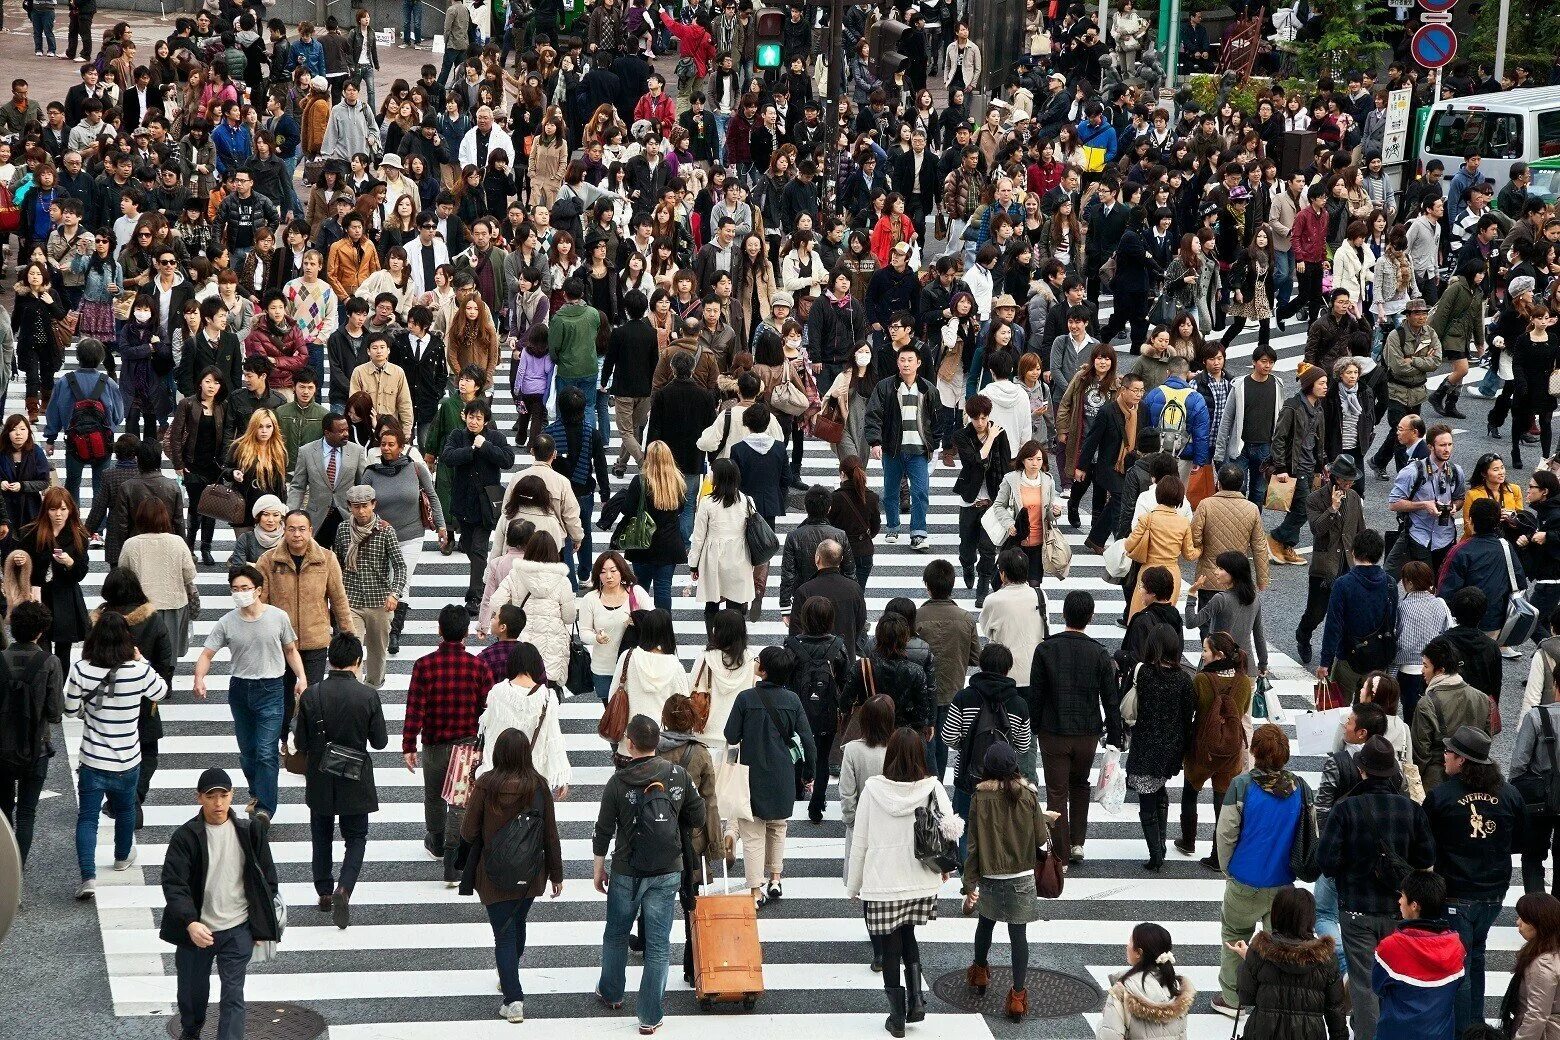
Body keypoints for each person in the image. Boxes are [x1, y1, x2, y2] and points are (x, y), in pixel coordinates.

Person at [593, 713, 707, 1036]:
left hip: (627, 871)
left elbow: (603, 830)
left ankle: (612, 992)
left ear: (629, 743)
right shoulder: (678, 776)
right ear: (656, 743)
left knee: (616, 932)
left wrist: (599, 866)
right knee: (658, 944)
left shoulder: (618, 782)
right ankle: (649, 1015)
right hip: (668, 869)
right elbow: (697, 816)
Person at [1316, 735, 1436, 1040]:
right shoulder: (1411, 810)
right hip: (1400, 907)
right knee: (1398, 978)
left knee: (1364, 983)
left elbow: (1327, 862)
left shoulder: (1345, 810)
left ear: (1362, 771)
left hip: (1356, 907)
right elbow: (1426, 858)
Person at [845, 726, 961, 1038]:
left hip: (882, 881)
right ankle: (917, 1000)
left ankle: (896, 1016)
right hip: (919, 879)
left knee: (890, 944)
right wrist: (945, 868)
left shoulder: (872, 789)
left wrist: (854, 884)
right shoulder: (932, 787)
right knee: (908, 934)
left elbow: (861, 840)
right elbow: (950, 830)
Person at [160, 768, 281, 1040]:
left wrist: (259, 926)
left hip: (237, 929)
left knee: (233, 998)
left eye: (224, 796)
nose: (218, 803)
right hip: (197, 932)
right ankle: (191, 1031)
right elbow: (174, 883)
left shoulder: (250, 832)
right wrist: (190, 922)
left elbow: (267, 880)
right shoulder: (185, 837)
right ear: (199, 798)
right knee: (192, 994)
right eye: (211, 797)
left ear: (232, 796)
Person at [459, 725, 565, 1025]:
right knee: (517, 923)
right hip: (530, 873)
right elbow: (550, 835)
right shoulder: (539, 786)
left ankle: (513, 998)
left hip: (493, 873)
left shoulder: (486, 785)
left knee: (503, 934)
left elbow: (468, 831)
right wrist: (556, 874)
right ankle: (510, 974)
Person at [1425, 724, 1525, 1034]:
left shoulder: (1441, 797)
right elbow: (1521, 842)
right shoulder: (1508, 795)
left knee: (1461, 965)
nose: (1445, 756)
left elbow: (1425, 845)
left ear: (1463, 760)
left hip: (1456, 892)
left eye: (1450, 752)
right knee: (1477, 956)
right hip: (1493, 893)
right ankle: (1477, 1023)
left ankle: (1464, 1030)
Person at [65, 609, 168, 899]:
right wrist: (142, 660)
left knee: (87, 818)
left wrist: (89, 710)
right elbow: (161, 691)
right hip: (127, 758)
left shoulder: (82, 669)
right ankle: (122, 857)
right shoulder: (138, 670)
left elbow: (70, 709)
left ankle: (88, 876)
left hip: (93, 758)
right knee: (125, 809)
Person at [193, 564, 309, 821]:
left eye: (245, 588)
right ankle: (257, 791)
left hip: (272, 689)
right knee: (247, 752)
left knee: (266, 751)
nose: (240, 593)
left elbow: (290, 650)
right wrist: (199, 677)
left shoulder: (278, 617)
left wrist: (301, 678)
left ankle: (265, 808)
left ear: (258, 590)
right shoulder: (227, 622)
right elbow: (207, 653)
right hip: (240, 690)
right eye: (235, 589)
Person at [1210, 724, 1310, 1015]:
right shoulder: (1300, 787)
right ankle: (1277, 997)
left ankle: (1232, 998)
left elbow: (1226, 833)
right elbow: (1309, 831)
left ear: (1254, 751)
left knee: (1235, 933)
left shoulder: (1241, 785)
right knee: (1280, 943)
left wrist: (1229, 869)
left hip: (1245, 878)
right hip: (1283, 882)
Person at [292, 630, 387, 930]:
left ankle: (323, 891)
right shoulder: (368, 695)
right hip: (354, 776)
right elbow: (380, 741)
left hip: (320, 775)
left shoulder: (312, 695)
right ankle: (344, 888)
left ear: (330, 660)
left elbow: (301, 742)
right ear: (358, 661)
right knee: (356, 837)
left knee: (320, 835)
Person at [1031, 589, 1122, 863]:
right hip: (1087, 732)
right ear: (1091, 618)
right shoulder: (1099, 653)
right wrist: (1114, 733)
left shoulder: (1046, 649)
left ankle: (1059, 852)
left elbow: (1036, 694)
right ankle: (1077, 843)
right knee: (1080, 785)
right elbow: (1110, 699)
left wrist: (1034, 725)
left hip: (1053, 731)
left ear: (1063, 614)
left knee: (1056, 791)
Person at [960, 740, 1049, 1022]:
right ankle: (1018, 997)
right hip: (1021, 875)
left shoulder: (979, 798)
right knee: (1018, 935)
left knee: (985, 924)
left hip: (990, 874)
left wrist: (969, 883)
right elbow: (1040, 839)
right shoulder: (1028, 795)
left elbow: (973, 845)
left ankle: (980, 972)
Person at [404, 603, 493, 879]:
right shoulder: (479, 667)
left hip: (433, 743)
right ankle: (454, 857)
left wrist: (409, 745)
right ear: (466, 632)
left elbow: (415, 708)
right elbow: (486, 707)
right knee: (459, 800)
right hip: (466, 743)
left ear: (439, 630)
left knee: (433, 794)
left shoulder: (424, 665)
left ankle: (436, 839)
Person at [724, 645, 816, 906]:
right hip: (783, 774)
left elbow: (731, 736)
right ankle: (776, 878)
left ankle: (755, 891)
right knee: (778, 826)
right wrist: (808, 773)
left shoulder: (745, 698)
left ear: (762, 670)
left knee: (752, 833)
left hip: (751, 776)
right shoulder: (793, 701)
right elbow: (808, 741)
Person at [362, 420, 445, 654]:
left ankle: (394, 631)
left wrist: (441, 526)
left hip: (411, 534)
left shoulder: (416, 469)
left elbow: (432, 496)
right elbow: (362, 504)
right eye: (383, 444)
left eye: (391, 444)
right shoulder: (370, 473)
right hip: (379, 536)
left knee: (401, 581)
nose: (386, 448)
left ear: (401, 446)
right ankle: (384, 625)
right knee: (384, 581)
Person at [1228, 886, 1348, 1040]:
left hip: (1263, 1032)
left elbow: (1246, 997)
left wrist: (1247, 962)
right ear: (1310, 917)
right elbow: (1335, 1009)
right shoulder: (1326, 958)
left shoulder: (1259, 952)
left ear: (1276, 914)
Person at [0, 602, 64, 866]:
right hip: (36, 746)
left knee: (4, 813)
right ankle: (17, 874)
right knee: (27, 812)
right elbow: (55, 713)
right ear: (41, 631)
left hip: (1, 747)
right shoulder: (49, 662)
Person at [441, 398, 516, 613]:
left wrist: (485, 447)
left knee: (478, 548)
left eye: (479, 418)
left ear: (486, 420)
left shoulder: (495, 437)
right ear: (465, 416)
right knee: (467, 544)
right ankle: (480, 581)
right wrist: (470, 451)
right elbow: (447, 457)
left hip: (486, 504)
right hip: (463, 502)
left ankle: (475, 595)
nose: (474, 421)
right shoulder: (457, 435)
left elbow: (507, 460)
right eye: (471, 417)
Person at [1373, 870, 1466, 1040]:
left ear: (1414, 905)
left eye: (1402, 896)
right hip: (1440, 1034)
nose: (1399, 901)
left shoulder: (1390, 947)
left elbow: (1377, 987)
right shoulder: (1457, 947)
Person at [331, 485, 407, 689]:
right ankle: (353, 690)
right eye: (356, 507)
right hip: (350, 600)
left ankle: (373, 688)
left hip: (380, 601)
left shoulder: (385, 530)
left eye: (365, 506)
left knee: (378, 651)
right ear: (349, 507)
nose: (361, 511)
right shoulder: (342, 530)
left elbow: (399, 565)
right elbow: (337, 562)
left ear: (374, 505)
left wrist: (395, 593)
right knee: (351, 649)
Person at [864, 342, 936, 551]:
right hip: (892, 448)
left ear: (918, 363)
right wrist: (875, 442)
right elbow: (873, 415)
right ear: (897, 363)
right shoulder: (885, 386)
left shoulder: (927, 389)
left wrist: (934, 443)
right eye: (902, 360)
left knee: (921, 491)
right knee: (891, 491)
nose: (906, 364)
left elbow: (937, 418)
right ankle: (893, 526)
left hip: (919, 450)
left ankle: (919, 533)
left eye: (910, 360)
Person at [1296, 455, 1366, 665]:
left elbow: (1360, 528)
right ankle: (1303, 635)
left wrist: (1362, 557)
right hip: (1324, 567)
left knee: (1346, 611)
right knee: (1316, 612)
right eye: (1345, 480)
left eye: (1351, 480)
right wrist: (1332, 509)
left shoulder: (1354, 497)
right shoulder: (1315, 499)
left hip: (1348, 564)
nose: (1349, 483)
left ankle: (1341, 649)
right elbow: (1317, 529)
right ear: (1334, 478)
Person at [16, 486, 92, 671]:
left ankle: (57, 693)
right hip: (39, 596)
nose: (58, 514)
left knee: (63, 651)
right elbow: (21, 566)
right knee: (41, 648)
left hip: (65, 597)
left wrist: (70, 563)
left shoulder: (79, 536)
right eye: (53, 509)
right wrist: (20, 561)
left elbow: (81, 573)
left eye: (63, 509)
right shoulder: (31, 533)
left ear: (71, 510)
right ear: (46, 510)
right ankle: (44, 689)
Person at [1319, 530, 1396, 704]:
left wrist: (1325, 661)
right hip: (1378, 658)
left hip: (1348, 657)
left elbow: (1333, 626)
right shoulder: (1390, 583)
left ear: (1353, 552)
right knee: (1370, 714)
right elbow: (1391, 621)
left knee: (1339, 712)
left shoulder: (1343, 584)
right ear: (1379, 554)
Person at [491, 531, 576, 688]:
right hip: (552, 647)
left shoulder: (516, 575)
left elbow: (496, 603)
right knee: (547, 699)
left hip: (521, 645)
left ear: (528, 550)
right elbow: (569, 617)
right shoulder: (562, 581)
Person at [1076, 371, 1148, 554]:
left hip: (1132, 464)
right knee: (1121, 501)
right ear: (1123, 390)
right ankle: (1121, 546)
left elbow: (1144, 435)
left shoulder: (1143, 409)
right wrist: (1081, 466)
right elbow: (1092, 440)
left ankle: (1095, 539)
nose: (1139, 394)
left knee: (1115, 502)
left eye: (1142, 390)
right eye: (1135, 390)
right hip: (1109, 465)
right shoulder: (1107, 411)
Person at [1412, 636, 1496, 792]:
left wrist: (1414, 786)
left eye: (1425, 666)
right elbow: (1485, 739)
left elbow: (1421, 753)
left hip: (1436, 779)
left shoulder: (1427, 703)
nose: (1422, 671)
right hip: (1473, 777)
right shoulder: (1482, 698)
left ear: (1441, 670)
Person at [1266, 365, 1329, 566]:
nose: (1326, 387)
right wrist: (1280, 467)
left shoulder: (1318, 408)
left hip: (1311, 466)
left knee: (1300, 508)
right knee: (1302, 509)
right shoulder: (1292, 407)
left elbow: (1318, 440)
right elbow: (1279, 438)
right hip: (1295, 467)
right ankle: (1276, 537)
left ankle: (1287, 545)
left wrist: (1322, 465)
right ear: (1310, 384)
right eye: (1322, 383)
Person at [1386, 423, 1466, 578]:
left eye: (1450, 444)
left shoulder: (1456, 471)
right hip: (1419, 537)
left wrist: (1454, 507)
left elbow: (1459, 498)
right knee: (1419, 585)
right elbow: (1394, 503)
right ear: (1430, 446)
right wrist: (1424, 505)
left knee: (1442, 586)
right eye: (1442, 445)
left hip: (1446, 537)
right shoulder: (1412, 472)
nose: (1447, 449)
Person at [1097, 923, 1195, 1040]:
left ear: (1139, 952)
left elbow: (1110, 1036)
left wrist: (1100, 1026)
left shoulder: (1123, 991)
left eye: (1130, 942)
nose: (1127, 946)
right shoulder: (1177, 988)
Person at [287, 412, 369, 550]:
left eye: (347, 429)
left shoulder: (357, 451)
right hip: (317, 517)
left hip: (346, 516)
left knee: (346, 563)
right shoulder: (306, 452)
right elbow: (298, 486)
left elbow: (363, 486)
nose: (346, 434)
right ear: (327, 433)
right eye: (341, 431)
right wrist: (292, 514)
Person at [689, 458, 757, 616]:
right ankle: (734, 638)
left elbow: (698, 537)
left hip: (713, 557)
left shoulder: (707, 503)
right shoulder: (747, 501)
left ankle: (712, 639)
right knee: (735, 604)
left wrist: (694, 564)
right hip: (739, 556)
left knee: (712, 603)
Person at [1503, 892, 1560, 1039]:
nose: (1518, 922)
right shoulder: (1553, 949)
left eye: (1523, 918)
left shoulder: (1543, 963)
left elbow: (1536, 1015)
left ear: (1538, 924)